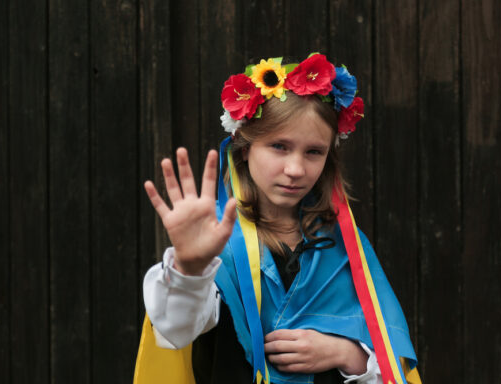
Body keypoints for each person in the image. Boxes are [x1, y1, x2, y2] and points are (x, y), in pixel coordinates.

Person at [137, 54, 420, 384]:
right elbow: (175, 330)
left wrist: (349, 355)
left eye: (313, 152)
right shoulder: (213, 241)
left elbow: (390, 357)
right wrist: (189, 269)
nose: (296, 169)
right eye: (279, 146)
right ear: (245, 148)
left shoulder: (346, 247)